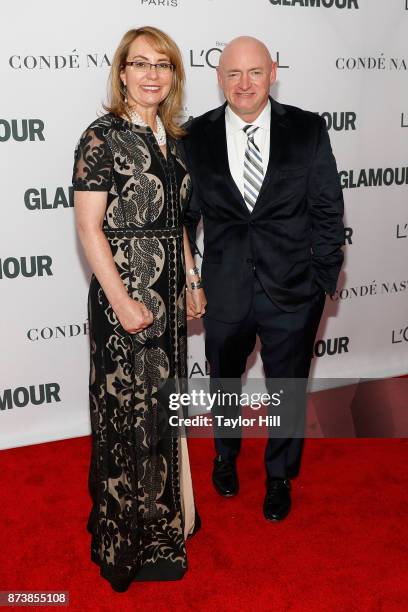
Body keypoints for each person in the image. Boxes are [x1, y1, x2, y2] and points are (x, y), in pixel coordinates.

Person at [183, 36, 344, 521]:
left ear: (273, 72)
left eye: (254, 72)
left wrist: (322, 280)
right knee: (225, 382)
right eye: (233, 74)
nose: (244, 83)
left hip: (294, 290)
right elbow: (186, 218)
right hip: (225, 289)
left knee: (288, 388)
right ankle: (225, 456)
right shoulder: (195, 136)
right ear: (219, 78)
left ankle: (279, 476)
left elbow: (327, 210)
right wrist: (192, 277)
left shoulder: (308, 129)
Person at [72, 26, 206, 592]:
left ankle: (167, 520)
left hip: (169, 300)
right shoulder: (100, 138)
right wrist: (122, 300)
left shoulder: (173, 139)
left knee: (161, 413)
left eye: (164, 65)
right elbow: (88, 227)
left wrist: (192, 278)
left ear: (173, 76)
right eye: (140, 63)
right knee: (126, 414)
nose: (152, 74)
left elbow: (175, 220)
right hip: (123, 299)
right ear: (122, 72)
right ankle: (125, 534)